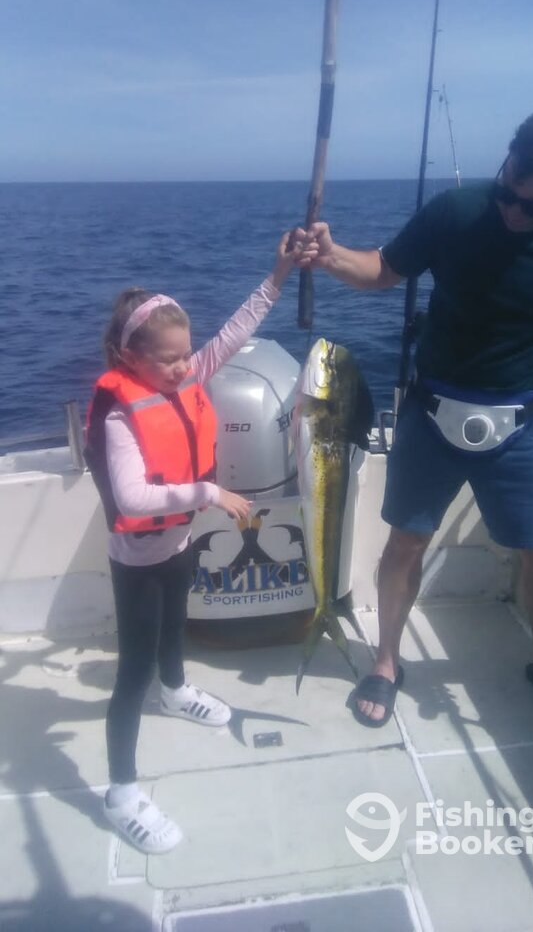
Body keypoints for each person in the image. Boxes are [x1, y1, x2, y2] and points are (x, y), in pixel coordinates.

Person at [293, 101, 533, 730]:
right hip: (431, 412)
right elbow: (383, 269)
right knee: (405, 543)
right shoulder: (456, 211)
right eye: (507, 190)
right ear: (506, 162)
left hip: (522, 423)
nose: (512, 211)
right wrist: (329, 255)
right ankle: (386, 662)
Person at [85, 233, 299, 854]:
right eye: (169, 360)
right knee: (133, 673)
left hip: (179, 544)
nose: (185, 368)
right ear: (131, 358)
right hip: (138, 560)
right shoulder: (121, 416)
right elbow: (133, 499)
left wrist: (278, 276)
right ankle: (121, 793)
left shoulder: (187, 375)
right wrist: (208, 492)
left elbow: (235, 332)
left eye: (186, 355)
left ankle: (176, 691)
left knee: (176, 624)